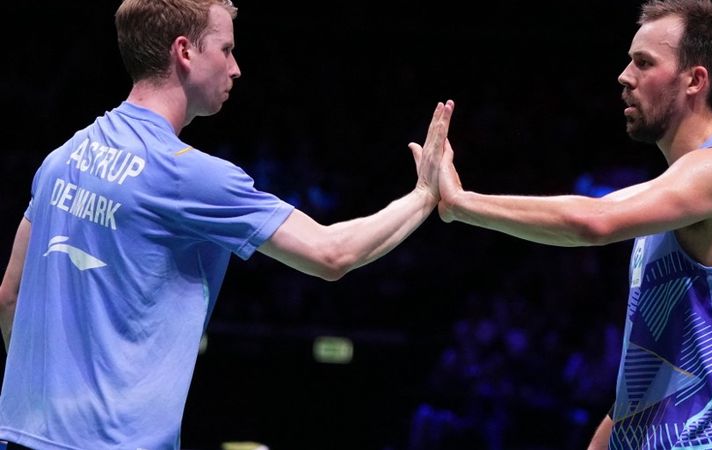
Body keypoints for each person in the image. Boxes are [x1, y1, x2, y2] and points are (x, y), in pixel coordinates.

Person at [0, 0, 453, 448]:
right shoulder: (187, 175)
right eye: (226, 49)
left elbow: (10, 296)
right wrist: (424, 195)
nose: (235, 68)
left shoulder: (64, 156)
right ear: (184, 51)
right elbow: (332, 253)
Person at [435, 0, 712, 448]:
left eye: (643, 62)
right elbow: (648, 378)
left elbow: (592, 221)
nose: (624, 76)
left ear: (695, 80)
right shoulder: (663, 201)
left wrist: (461, 202)